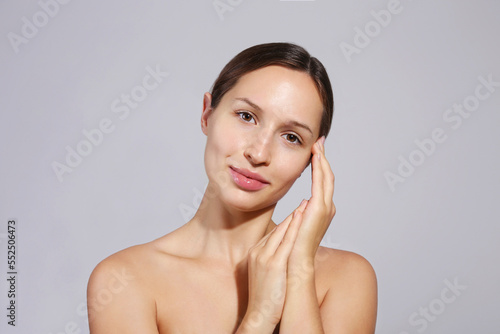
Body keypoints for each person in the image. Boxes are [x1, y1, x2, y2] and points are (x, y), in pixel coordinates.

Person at [87, 42, 377, 333]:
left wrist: (299, 271)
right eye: (246, 116)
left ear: (310, 161)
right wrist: (260, 316)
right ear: (207, 115)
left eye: (291, 137)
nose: (259, 154)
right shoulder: (124, 279)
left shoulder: (347, 277)